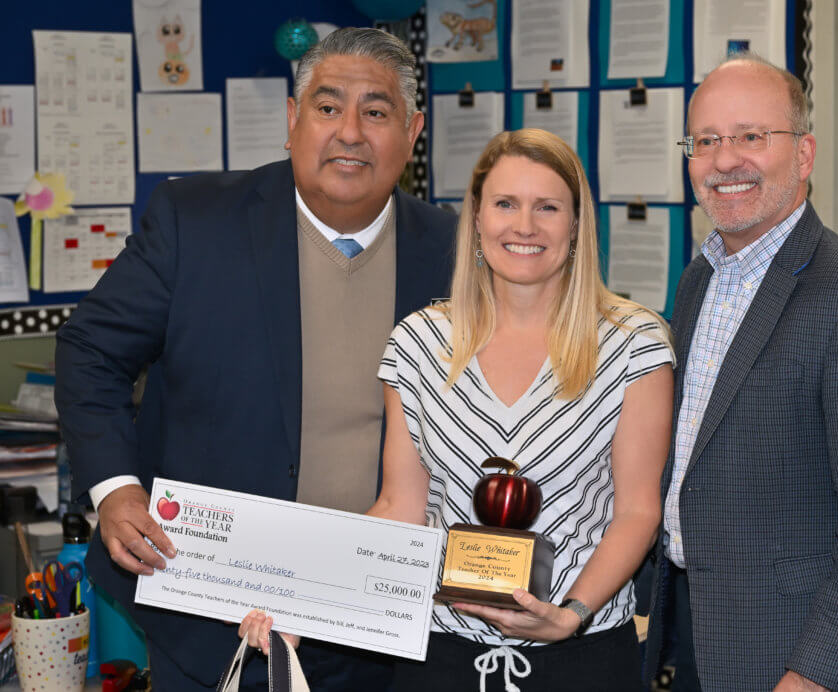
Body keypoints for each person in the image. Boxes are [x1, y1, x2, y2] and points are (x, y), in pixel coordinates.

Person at [54, 27, 456, 691]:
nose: (350, 132)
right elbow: (90, 352)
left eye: (376, 112)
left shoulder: (453, 248)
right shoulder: (195, 222)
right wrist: (115, 489)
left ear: (412, 132)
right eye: (328, 108)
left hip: (382, 624)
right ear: (293, 120)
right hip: (213, 617)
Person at [240, 128, 675, 691]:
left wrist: (568, 613)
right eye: (504, 204)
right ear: (475, 220)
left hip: (582, 656)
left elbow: (638, 512)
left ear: (576, 225)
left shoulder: (632, 343)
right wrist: (305, 595)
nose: (524, 225)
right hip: (439, 657)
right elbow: (400, 505)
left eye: (547, 207)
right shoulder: (417, 343)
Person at [644, 56, 838, 692]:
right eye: (707, 141)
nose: (724, 161)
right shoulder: (700, 279)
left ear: (803, 155)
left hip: (797, 658)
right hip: (696, 635)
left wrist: (812, 678)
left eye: (751, 136)